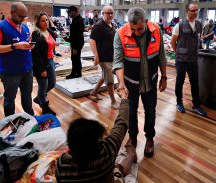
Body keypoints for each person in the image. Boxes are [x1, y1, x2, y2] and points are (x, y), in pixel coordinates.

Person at [113, 7, 167, 158]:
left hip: (151, 80)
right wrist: (121, 83)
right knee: (131, 111)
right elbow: (117, 61)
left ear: (146, 21)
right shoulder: (120, 34)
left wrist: (164, 77)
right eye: (133, 29)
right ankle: (133, 137)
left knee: (150, 111)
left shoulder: (156, 30)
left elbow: (161, 55)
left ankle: (150, 138)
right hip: (130, 82)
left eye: (140, 28)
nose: (136, 32)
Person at [56, 88, 137, 183]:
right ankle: (131, 154)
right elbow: (122, 122)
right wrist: (124, 98)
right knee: (119, 169)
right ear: (97, 144)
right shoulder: (108, 151)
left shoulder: (62, 164)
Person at [0, 2, 34, 117]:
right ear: (12, 13)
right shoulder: (0, 27)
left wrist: (29, 45)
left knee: (27, 96)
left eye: (25, 17)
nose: (23, 19)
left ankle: (31, 117)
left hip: (27, 69)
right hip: (10, 72)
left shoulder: (24, 27)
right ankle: (10, 122)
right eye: (20, 16)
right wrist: (14, 46)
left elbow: (25, 42)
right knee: (10, 99)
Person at [171, 2, 207, 116]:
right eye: (193, 10)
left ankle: (196, 105)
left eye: (197, 10)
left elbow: (198, 38)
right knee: (180, 81)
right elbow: (173, 41)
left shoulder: (199, 25)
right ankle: (179, 103)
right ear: (187, 11)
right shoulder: (180, 25)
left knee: (195, 82)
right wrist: (178, 53)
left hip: (193, 59)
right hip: (181, 59)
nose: (196, 12)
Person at [89, 5, 119, 109]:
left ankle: (94, 91)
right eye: (108, 13)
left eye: (111, 13)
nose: (110, 15)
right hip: (103, 57)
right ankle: (113, 101)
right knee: (110, 80)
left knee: (105, 75)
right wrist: (96, 56)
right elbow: (92, 40)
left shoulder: (112, 25)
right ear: (103, 14)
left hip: (112, 56)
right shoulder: (99, 26)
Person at [31, 12, 57, 115]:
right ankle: (44, 107)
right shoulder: (36, 34)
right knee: (43, 86)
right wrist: (42, 69)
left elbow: (55, 35)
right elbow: (35, 54)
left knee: (52, 83)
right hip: (41, 63)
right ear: (38, 22)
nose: (45, 22)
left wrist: (50, 22)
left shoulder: (48, 31)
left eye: (46, 20)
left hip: (50, 61)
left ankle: (39, 98)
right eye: (43, 21)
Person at [64, 6, 85, 79]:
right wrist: (68, 39)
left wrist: (75, 47)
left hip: (77, 44)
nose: (69, 15)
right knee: (75, 58)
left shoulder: (78, 21)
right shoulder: (75, 19)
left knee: (75, 58)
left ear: (73, 11)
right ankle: (77, 73)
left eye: (69, 13)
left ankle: (75, 73)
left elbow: (78, 35)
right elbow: (74, 34)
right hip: (76, 43)